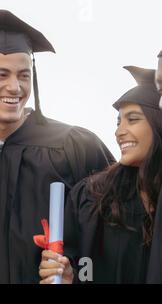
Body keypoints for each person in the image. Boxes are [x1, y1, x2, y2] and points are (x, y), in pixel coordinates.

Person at [0, 9, 115, 283]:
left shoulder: (76, 147)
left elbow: (114, 238)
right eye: (1, 75)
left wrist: (79, 274)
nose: (14, 87)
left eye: (23, 75)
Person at [39, 66, 162, 284]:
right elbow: (82, 270)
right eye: (118, 122)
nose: (119, 132)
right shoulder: (95, 198)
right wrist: (70, 276)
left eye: (132, 120)